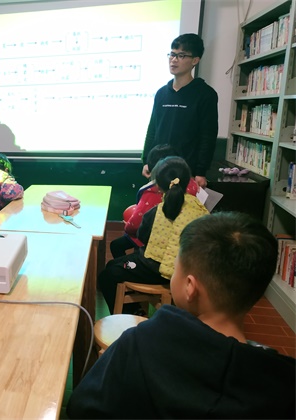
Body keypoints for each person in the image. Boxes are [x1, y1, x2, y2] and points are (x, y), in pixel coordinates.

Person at [68, 212, 296, 419]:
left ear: (190, 287)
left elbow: (81, 407)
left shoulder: (138, 344)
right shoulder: (283, 382)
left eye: (176, 267)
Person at [98, 156, 209, 314]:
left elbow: (142, 237)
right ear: (188, 181)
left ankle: (131, 313)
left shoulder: (157, 210)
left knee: (107, 275)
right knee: (114, 266)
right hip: (184, 273)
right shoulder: (201, 211)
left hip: (153, 269)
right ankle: (135, 306)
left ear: (159, 186)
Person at [142, 33, 218, 188]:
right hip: (158, 169)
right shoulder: (162, 93)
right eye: (172, 54)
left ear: (195, 60)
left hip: (187, 172)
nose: (173, 60)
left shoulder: (205, 94)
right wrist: (147, 161)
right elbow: (153, 129)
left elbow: (208, 136)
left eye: (181, 55)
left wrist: (201, 171)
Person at [110, 145, 199, 258]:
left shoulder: (152, 192)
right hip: (183, 241)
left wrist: (127, 226)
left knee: (116, 246)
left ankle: (128, 266)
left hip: (154, 242)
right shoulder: (192, 185)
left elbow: (135, 226)